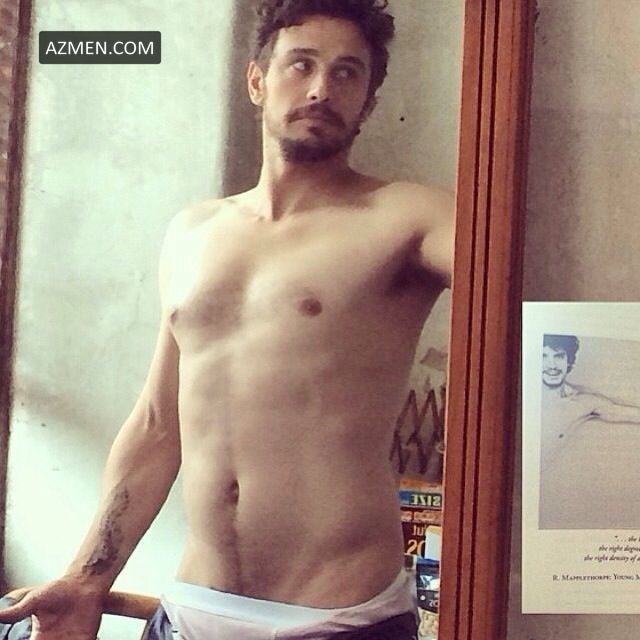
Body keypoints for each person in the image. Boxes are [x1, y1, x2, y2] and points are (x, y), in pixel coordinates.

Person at [0, 1, 453, 638]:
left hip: (339, 618)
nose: (322, 88)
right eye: (302, 64)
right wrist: (86, 578)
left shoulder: (406, 216)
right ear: (257, 81)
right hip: (191, 611)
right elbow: (157, 425)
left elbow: (511, 290)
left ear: (368, 104)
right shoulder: (194, 232)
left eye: (347, 73)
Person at [541, 334, 640, 469]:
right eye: (544, 356)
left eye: (558, 356)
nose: (552, 365)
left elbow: (628, 413)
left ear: (569, 360)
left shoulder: (581, 401)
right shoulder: (518, 397)